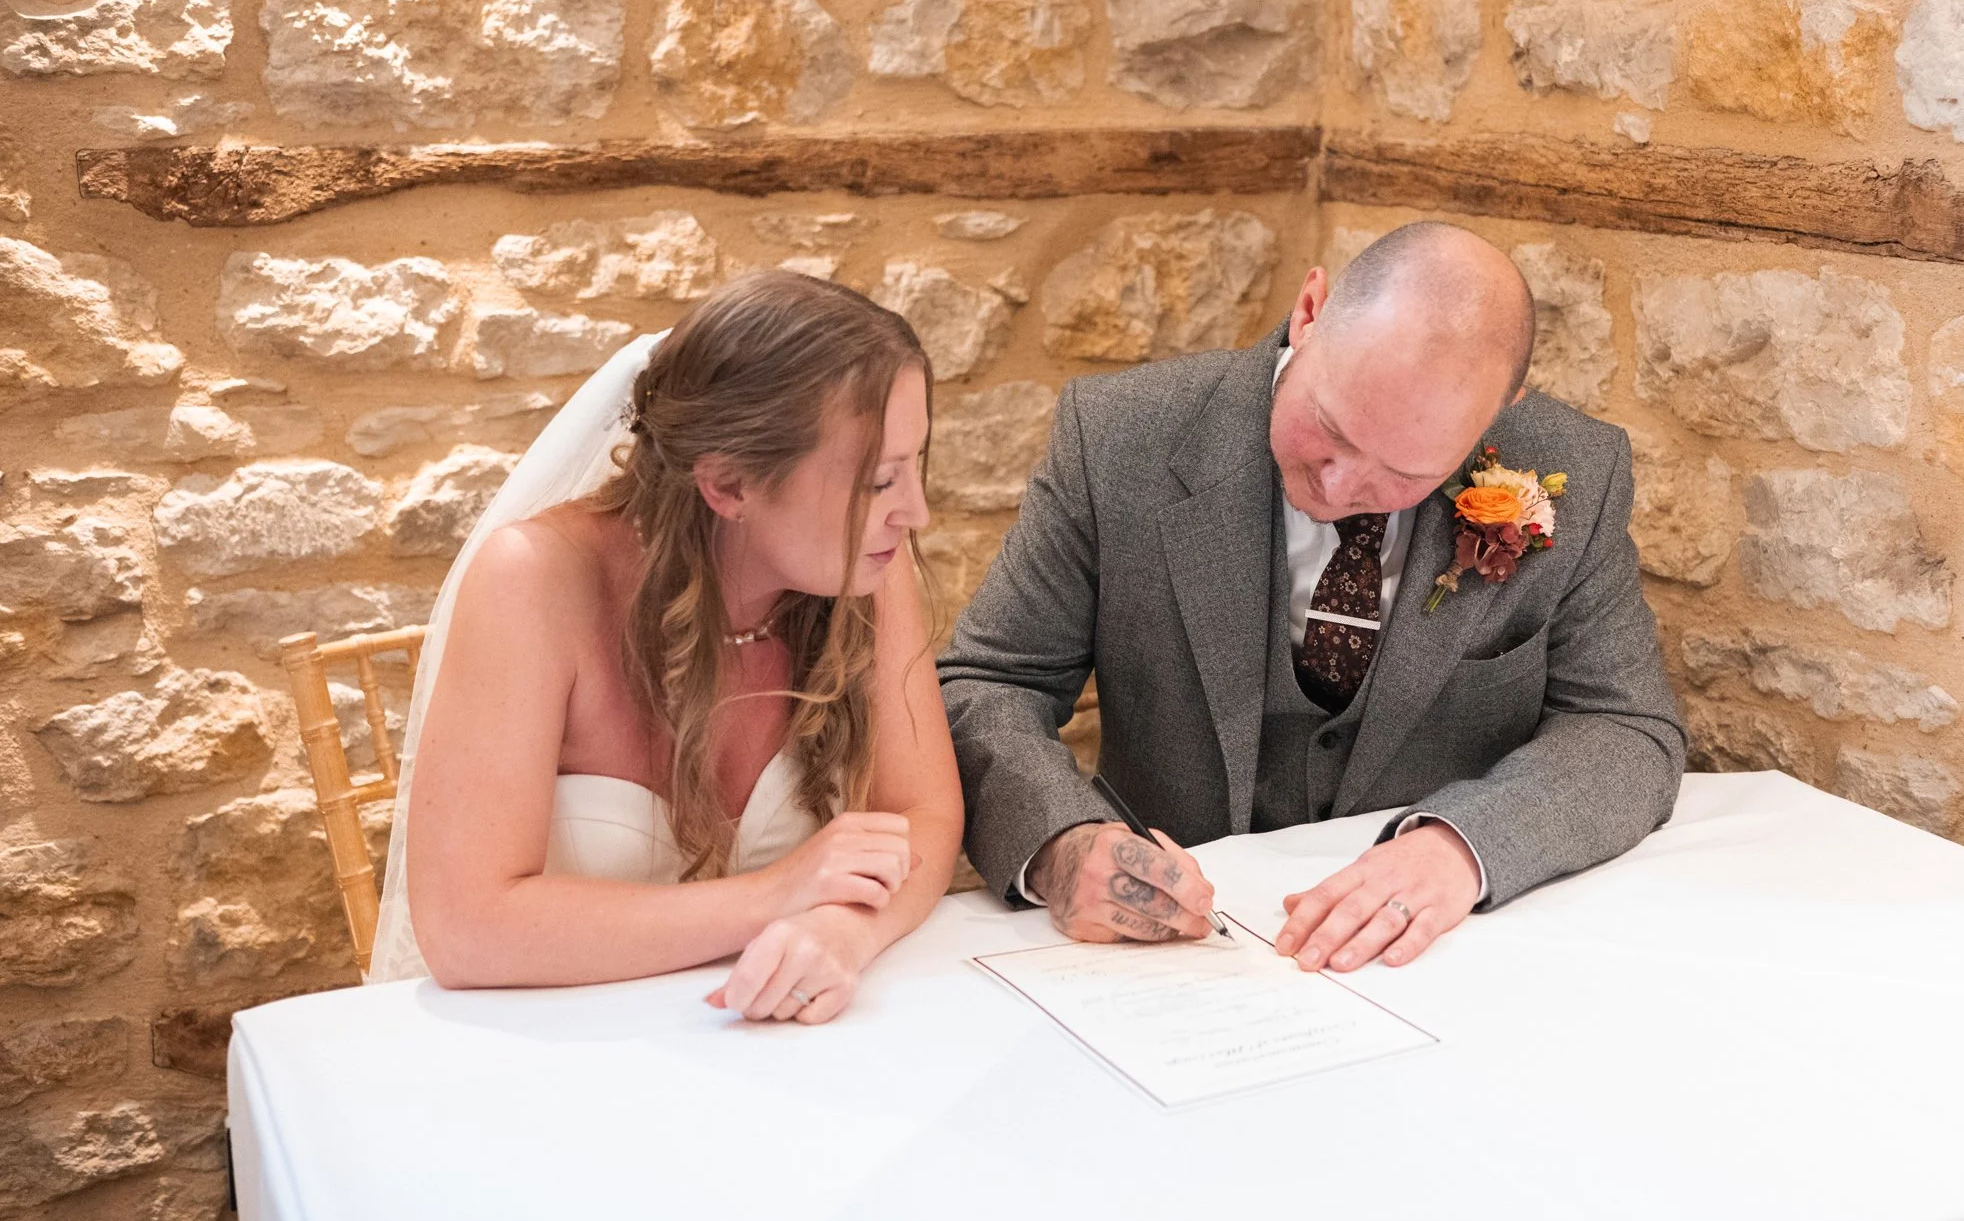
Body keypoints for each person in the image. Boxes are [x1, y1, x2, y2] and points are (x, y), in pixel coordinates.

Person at [940, 221, 1686, 973]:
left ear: (1498, 412)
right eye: (1329, 428)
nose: (1338, 486)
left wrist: (1462, 848)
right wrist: (1063, 844)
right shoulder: (1118, 440)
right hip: (1167, 961)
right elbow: (989, 682)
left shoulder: (1575, 472)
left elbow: (1624, 725)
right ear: (1309, 309)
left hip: (1435, 965)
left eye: (1402, 472)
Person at [369, 272, 964, 1024]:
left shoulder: (865, 570)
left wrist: (846, 928)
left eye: (914, 466)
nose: (917, 513)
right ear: (727, 484)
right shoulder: (534, 582)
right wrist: (774, 896)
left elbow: (926, 812)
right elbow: (465, 929)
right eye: (880, 480)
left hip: (785, 1043)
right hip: (552, 1054)